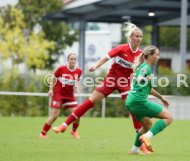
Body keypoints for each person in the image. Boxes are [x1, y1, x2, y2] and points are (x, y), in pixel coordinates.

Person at [52, 22, 149, 151]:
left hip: (125, 83)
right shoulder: (121, 48)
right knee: (91, 101)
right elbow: (106, 57)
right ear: (130, 37)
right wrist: (96, 66)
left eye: (141, 36)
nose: (139, 38)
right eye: (137, 36)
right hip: (111, 79)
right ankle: (64, 125)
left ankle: (140, 143)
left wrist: (143, 81)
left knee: (133, 109)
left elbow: (139, 72)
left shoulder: (141, 56)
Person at [126, 45, 173, 154]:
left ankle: (134, 149)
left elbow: (149, 88)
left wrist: (161, 98)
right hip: (139, 101)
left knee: (147, 125)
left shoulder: (144, 66)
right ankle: (146, 137)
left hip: (131, 102)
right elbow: (139, 80)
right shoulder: (145, 68)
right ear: (150, 56)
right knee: (169, 118)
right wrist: (144, 80)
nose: (158, 57)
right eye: (157, 54)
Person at [39, 53, 82, 139]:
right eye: (71, 59)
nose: (73, 61)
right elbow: (53, 78)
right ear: (68, 60)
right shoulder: (61, 68)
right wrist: (51, 89)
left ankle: (74, 131)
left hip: (69, 95)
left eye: (74, 59)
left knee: (77, 114)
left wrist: (77, 88)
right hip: (58, 94)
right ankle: (43, 133)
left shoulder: (79, 71)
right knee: (55, 116)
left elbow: (77, 81)